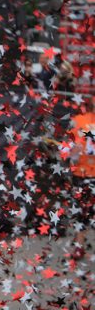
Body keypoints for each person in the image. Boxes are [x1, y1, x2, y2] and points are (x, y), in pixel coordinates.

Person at [68, 99, 94, 260]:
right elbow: (72, 154)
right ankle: (79, 245)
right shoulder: (79, 120)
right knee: (82, 212)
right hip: (83, 174)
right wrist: (74, 152)